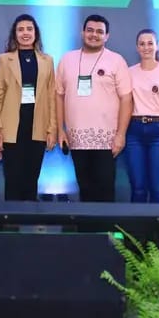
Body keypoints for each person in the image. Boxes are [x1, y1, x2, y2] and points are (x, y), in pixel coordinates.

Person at [56, 14, 132, 202]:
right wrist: (60, 130)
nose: (94, 35)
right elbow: (58, 95)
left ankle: (105, 223)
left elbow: (126, 99)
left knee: (105, 192)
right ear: (82, 33)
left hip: (107, 140)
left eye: (99, 32)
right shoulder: (67, 59)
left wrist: (121, 134)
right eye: (90, 30)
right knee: (85, 190)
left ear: (107, 36)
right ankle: (86, 223)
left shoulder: (116, 60)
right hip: (76, 138)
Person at [0, 14, 57, 201]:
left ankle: (29, 218)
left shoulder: (47, 60)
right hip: (11, 129)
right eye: (20, 30)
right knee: (12, 180)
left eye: (29, 29)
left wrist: (52, 129)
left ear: (36, 33)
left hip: (37, 128)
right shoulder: (4, 60)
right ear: (15, 34)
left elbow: (51, 97)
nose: (25, 33)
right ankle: (10, 219)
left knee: (31, 180)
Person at [124, 29, 159, 203]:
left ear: (157, 46)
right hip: (134, 132)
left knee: (157, 188)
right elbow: (125, 104)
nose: (146, 47)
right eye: (142, 44)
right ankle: (137, 222)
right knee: (138, 187)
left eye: (150, 43)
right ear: (137, 47)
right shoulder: (129, 72)